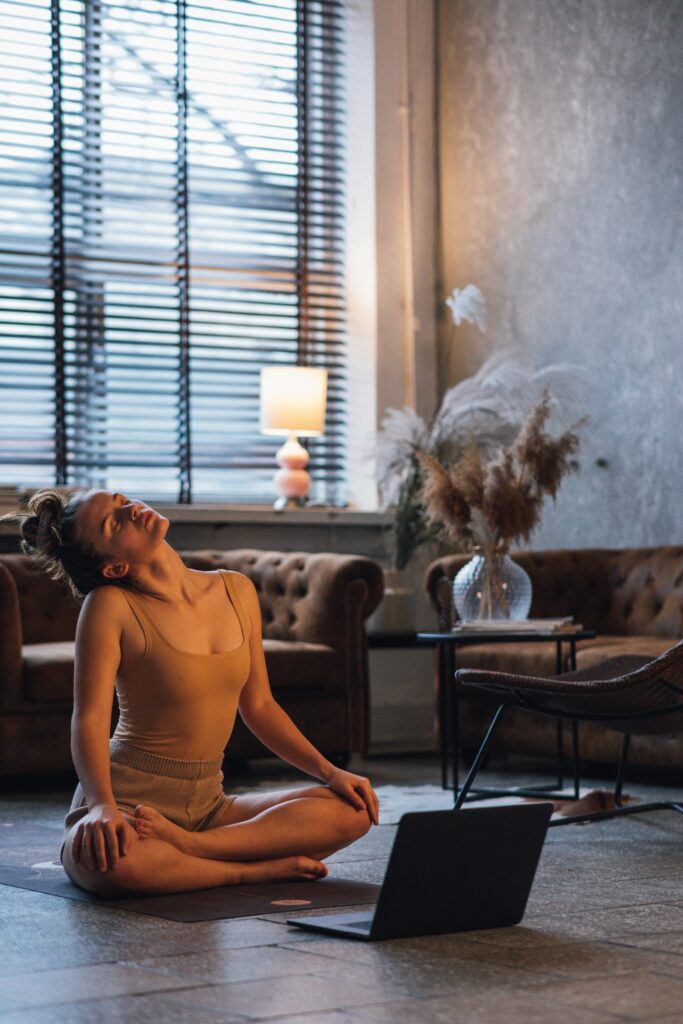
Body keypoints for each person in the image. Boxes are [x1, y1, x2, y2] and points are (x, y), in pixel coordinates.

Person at [11, 488, 378, 897]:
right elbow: (90, 718)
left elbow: (259, 706)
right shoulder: (108, 605)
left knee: (353, 811)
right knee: (106, 862)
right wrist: (100, 806)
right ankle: (249, 871)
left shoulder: (235, 589)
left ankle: (192, 850)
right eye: (114, 521)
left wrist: (331, 772)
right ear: (115, 567)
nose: (131, 509)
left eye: (120, 500)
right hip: (128, 801)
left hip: (210, 805)